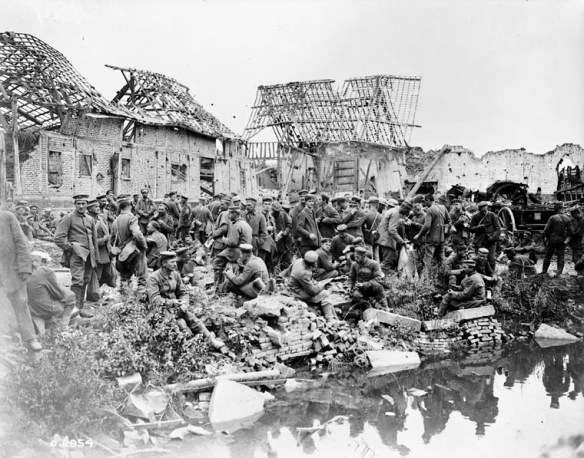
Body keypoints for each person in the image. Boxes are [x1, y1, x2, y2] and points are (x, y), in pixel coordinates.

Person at [0, 211, 42, 352]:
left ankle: (30, 338)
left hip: (11, 269)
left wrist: (25, 267)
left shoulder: (7, 217)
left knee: (21, 302)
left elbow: (21, 242)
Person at [54, 194, 99, 316]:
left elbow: (94, 240)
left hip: (89, 256)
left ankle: (79, 309)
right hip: (77, 256)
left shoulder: (90, 219)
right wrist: (72, 248)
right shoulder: (69, 218)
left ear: (87, 205)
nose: (81, 206)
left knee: (85, 280)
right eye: (78, 203)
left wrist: (96, 257)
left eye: (83, 203)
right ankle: (72, 312)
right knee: (77, 281)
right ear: (75, 204)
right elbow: (58, 238)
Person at [26, 251, 77, 334]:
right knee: (71, 296)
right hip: (44, 309)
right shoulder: (46, 271)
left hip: (29, 308)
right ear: (43, 261)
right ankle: (62, 329)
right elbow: (58, 294)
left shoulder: (25, 270)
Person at [289, 251, 337, 322]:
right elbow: (313, 291)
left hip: (296, 286)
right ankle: (330, 319)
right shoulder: (304, 273)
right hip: (297, 292)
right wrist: (322, 283)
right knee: (325, 293)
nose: (316, 264)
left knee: (323, 290)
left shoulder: (299, 261)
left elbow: (289, 270)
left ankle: (334, 318)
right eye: (315, 262)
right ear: (313, 263)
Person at [111, 197, 148, 289]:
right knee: (141, 275)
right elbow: (136, 233)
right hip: (133, 250)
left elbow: (112, 239)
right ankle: (140, 297)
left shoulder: (116, 219)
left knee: (124, 276)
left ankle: (124, 297)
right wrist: (144, 245)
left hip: (121, 252)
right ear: (131, 204)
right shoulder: (131, 218)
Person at [212, 205, 253, 286]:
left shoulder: (236, 225)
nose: (228, 216)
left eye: (230, 214)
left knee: (217, 261)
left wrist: (224, 240)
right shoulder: (245, 224)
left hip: (236, 251)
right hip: (246, 251)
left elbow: (232, 243)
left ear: (235, 214)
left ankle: (217, 285)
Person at [414, 194, 451, 271]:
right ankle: (443, 275)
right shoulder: (443, 208)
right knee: (441, 258)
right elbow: (449, 221)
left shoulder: (430, 210)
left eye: (425, 201)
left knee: (427, 259)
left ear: (428, 200)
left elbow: (427, 225)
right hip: (441, 238)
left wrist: (419, 235)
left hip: (431, 239)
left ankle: (426, 279)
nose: (424, 204)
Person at [378, 200, 412, 271]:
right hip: (388, 241)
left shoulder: (392, 210)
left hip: (384, 240)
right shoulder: (396, 213)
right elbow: (392, 230)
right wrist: (402, 242)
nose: (407, 214)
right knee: (386, 264)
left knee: (385, 263)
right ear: (404, 209)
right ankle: (378, 279)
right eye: (407, 212)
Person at [87, 199, 114, 287]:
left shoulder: (101, 218)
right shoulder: (87, 220)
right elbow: (88, 240)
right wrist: (103, 240)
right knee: (97, 275)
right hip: (96, 252)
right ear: (90, 209)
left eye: (98, 206)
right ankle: (94, 294)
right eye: (95, 206)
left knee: (108, 274)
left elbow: (108, 232)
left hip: (105, 251)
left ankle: (98, 289)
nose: (98, 208)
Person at [470, 201, 501, 270]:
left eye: (486, 209)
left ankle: (491, 273)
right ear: (479, 209)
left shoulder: (492, 215)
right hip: (480, 242)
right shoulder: (475, 217)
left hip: (490, 242)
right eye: (482, 209)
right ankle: (479, 273)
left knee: (491, 259)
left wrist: (492, 237)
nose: (485, 211)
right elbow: (471, 229)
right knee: (479, 259)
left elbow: (498, 229)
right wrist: (478, 227)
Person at [542, 202, 572, 276]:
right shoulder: (567, 218)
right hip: (562, 240)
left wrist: (547, 237)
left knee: (548, 256)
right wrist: (566, 240)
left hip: (552, 239)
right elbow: (570, 232)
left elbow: (546, 230)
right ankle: (559, 273)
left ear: (556, 208)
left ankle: (544, 271)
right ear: (562, 208)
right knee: (561, 256)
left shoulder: (552, 217)